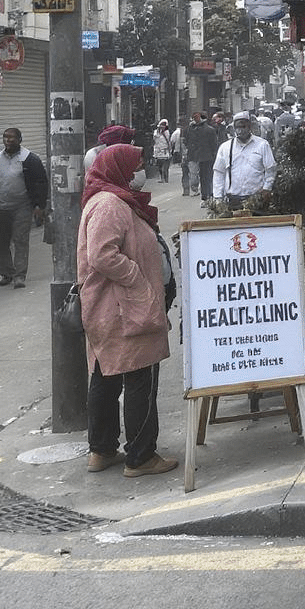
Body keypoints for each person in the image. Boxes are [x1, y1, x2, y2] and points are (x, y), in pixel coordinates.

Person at [78, 143, 177, 477]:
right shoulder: (109, 204)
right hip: (123, 307)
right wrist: (138, 279)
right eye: (137, 165)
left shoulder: (114, 199)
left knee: (107, 376)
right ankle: (141, 455)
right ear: (119, 168)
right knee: (140, 376)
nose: (141, 171)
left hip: (116, 307)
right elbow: (102, 255)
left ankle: (103, 450)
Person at [0, 128, 48, 289]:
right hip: (0, 208)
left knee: (20, 240)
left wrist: (39, 205)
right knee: (1, 243)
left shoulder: (30, 159)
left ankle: (19, 276)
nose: (8, 141)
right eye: (5, 137)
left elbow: (41, 183)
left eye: (12, 138)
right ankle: (6, 273)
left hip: (22, 207)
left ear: (20, 140)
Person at [212, 110, 277, 211]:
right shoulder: (225, 147)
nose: (241, 130)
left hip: (256, 201)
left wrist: (267, 188)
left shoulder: (262, 145)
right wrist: (218, 198)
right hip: (233, 201)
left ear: (249, 126)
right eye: (238, 127)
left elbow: (271, 169)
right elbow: (219, 173)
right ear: (234, 128)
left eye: (243, 126)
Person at [185, 111, 219, 203]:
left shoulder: (192, 129)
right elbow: (214, 145)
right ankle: (206, 196)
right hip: (202, 156)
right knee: (204, 177)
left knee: (200, 176)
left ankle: (204, 195)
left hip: (199, 156)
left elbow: (186, 142)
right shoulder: (209, 130)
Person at [169, 120, 190, 196]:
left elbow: (173, 142)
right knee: (187, 173)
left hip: (185, 156)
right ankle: (187, 189)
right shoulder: (182, 133)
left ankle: (186, 189)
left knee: (185, 173)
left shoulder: (182, 133)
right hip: (187, 157)